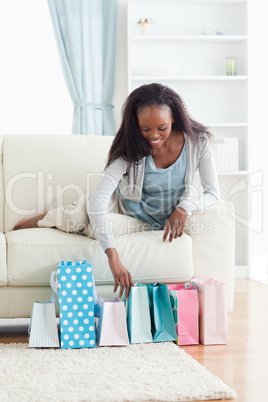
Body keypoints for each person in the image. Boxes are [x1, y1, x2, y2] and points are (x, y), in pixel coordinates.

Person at [14, 83, 219, 299]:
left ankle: (68, 212)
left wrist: (185, 207)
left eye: (162, 127)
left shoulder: (198, 142)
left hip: (155, 222)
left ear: (174, 118)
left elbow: (212, 193)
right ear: (136, 124)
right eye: (145, 128)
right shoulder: (131, 147)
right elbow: (100, 200)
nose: (154, 136)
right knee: (79, 217)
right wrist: (112, 256)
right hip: (123, 207)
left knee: (95, 228)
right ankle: (48, 217)